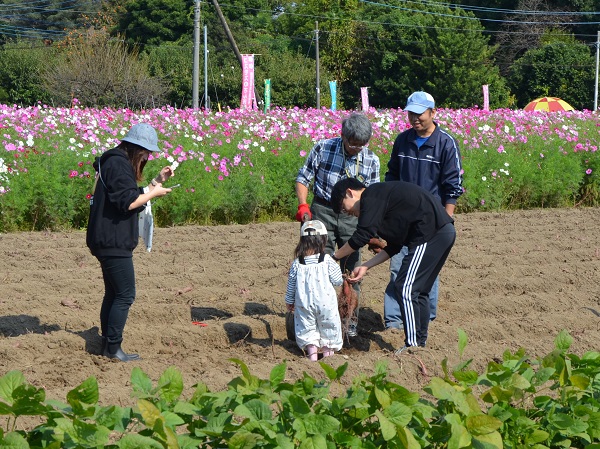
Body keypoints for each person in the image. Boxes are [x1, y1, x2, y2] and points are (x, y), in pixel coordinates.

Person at [329, 177, 455, 353]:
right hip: (442, 232)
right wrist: (366, 266)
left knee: (406, 288)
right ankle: (420, 345)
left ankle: (412, 346)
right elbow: (394, 246)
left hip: (431, 233)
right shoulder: (382, 204)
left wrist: (333, 257)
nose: (347, 213)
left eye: (344, 207)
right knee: (419, 292)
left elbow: (362, 235)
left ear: (350, 192)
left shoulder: (371, 195)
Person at [86, 123, 175, 362]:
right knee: (125, 294)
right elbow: (129, 203)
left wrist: (157, 180)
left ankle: (107, 345)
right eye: (146, 152)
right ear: (136, 148)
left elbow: (129, 194)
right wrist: (154, 194)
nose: (147, 156)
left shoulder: (113, 162)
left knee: (113, 293)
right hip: (112, 239)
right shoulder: (118, 164)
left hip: (105, 238)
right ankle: (114, 348)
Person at [295, 112, 380, 337]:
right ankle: (318, 318)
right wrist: (303, 206)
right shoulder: (323, 148)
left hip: (354, 216)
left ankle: (349, 319)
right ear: (342, 136)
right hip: (323, 210)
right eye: (353, 144)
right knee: (318, 266)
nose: (357, 149)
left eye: (362, 145)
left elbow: (374, 198)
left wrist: (371, 231)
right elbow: (303, 178)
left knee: (352, 270)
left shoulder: (371, 159)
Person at [383, 91, 463, 330]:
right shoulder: (402, 140)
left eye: (419, 114)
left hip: (432, 220)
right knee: (398, 267)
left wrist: (446, 218)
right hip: (402, 218)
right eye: (411, 114)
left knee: (428, 271)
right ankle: (395, 322)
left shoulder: (446, 143)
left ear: (432, 113)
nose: (415, 118)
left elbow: (452, 184)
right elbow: (392, 175)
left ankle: (424, 318)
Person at [284, 220, 344, 361]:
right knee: (329, 328)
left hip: (304, 304)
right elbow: (337, 280)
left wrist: (289, 301)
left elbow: (291, 285)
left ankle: (312, 357)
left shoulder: (297, 263)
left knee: (307, 329)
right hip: (326, 304)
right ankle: (329, 359)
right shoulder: (327, 260)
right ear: (323, 240)